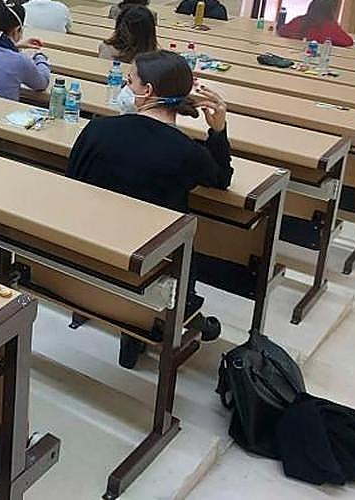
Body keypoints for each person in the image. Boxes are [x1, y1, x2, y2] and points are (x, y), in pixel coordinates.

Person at [67, 50, 232, 357]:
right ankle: (146, 325)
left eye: (129, 81)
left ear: (147, 91)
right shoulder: (187, 153)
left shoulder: (97, 130)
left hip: (87, 254)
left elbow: (72, 181)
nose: (125, 87)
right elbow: (221, 179)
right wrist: (218, 130)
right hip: (150, 265)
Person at [279, 0, 354, 47]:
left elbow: (282, 31)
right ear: (330, 11)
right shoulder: (330, 27)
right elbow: (348, 41)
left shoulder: (299, 20)